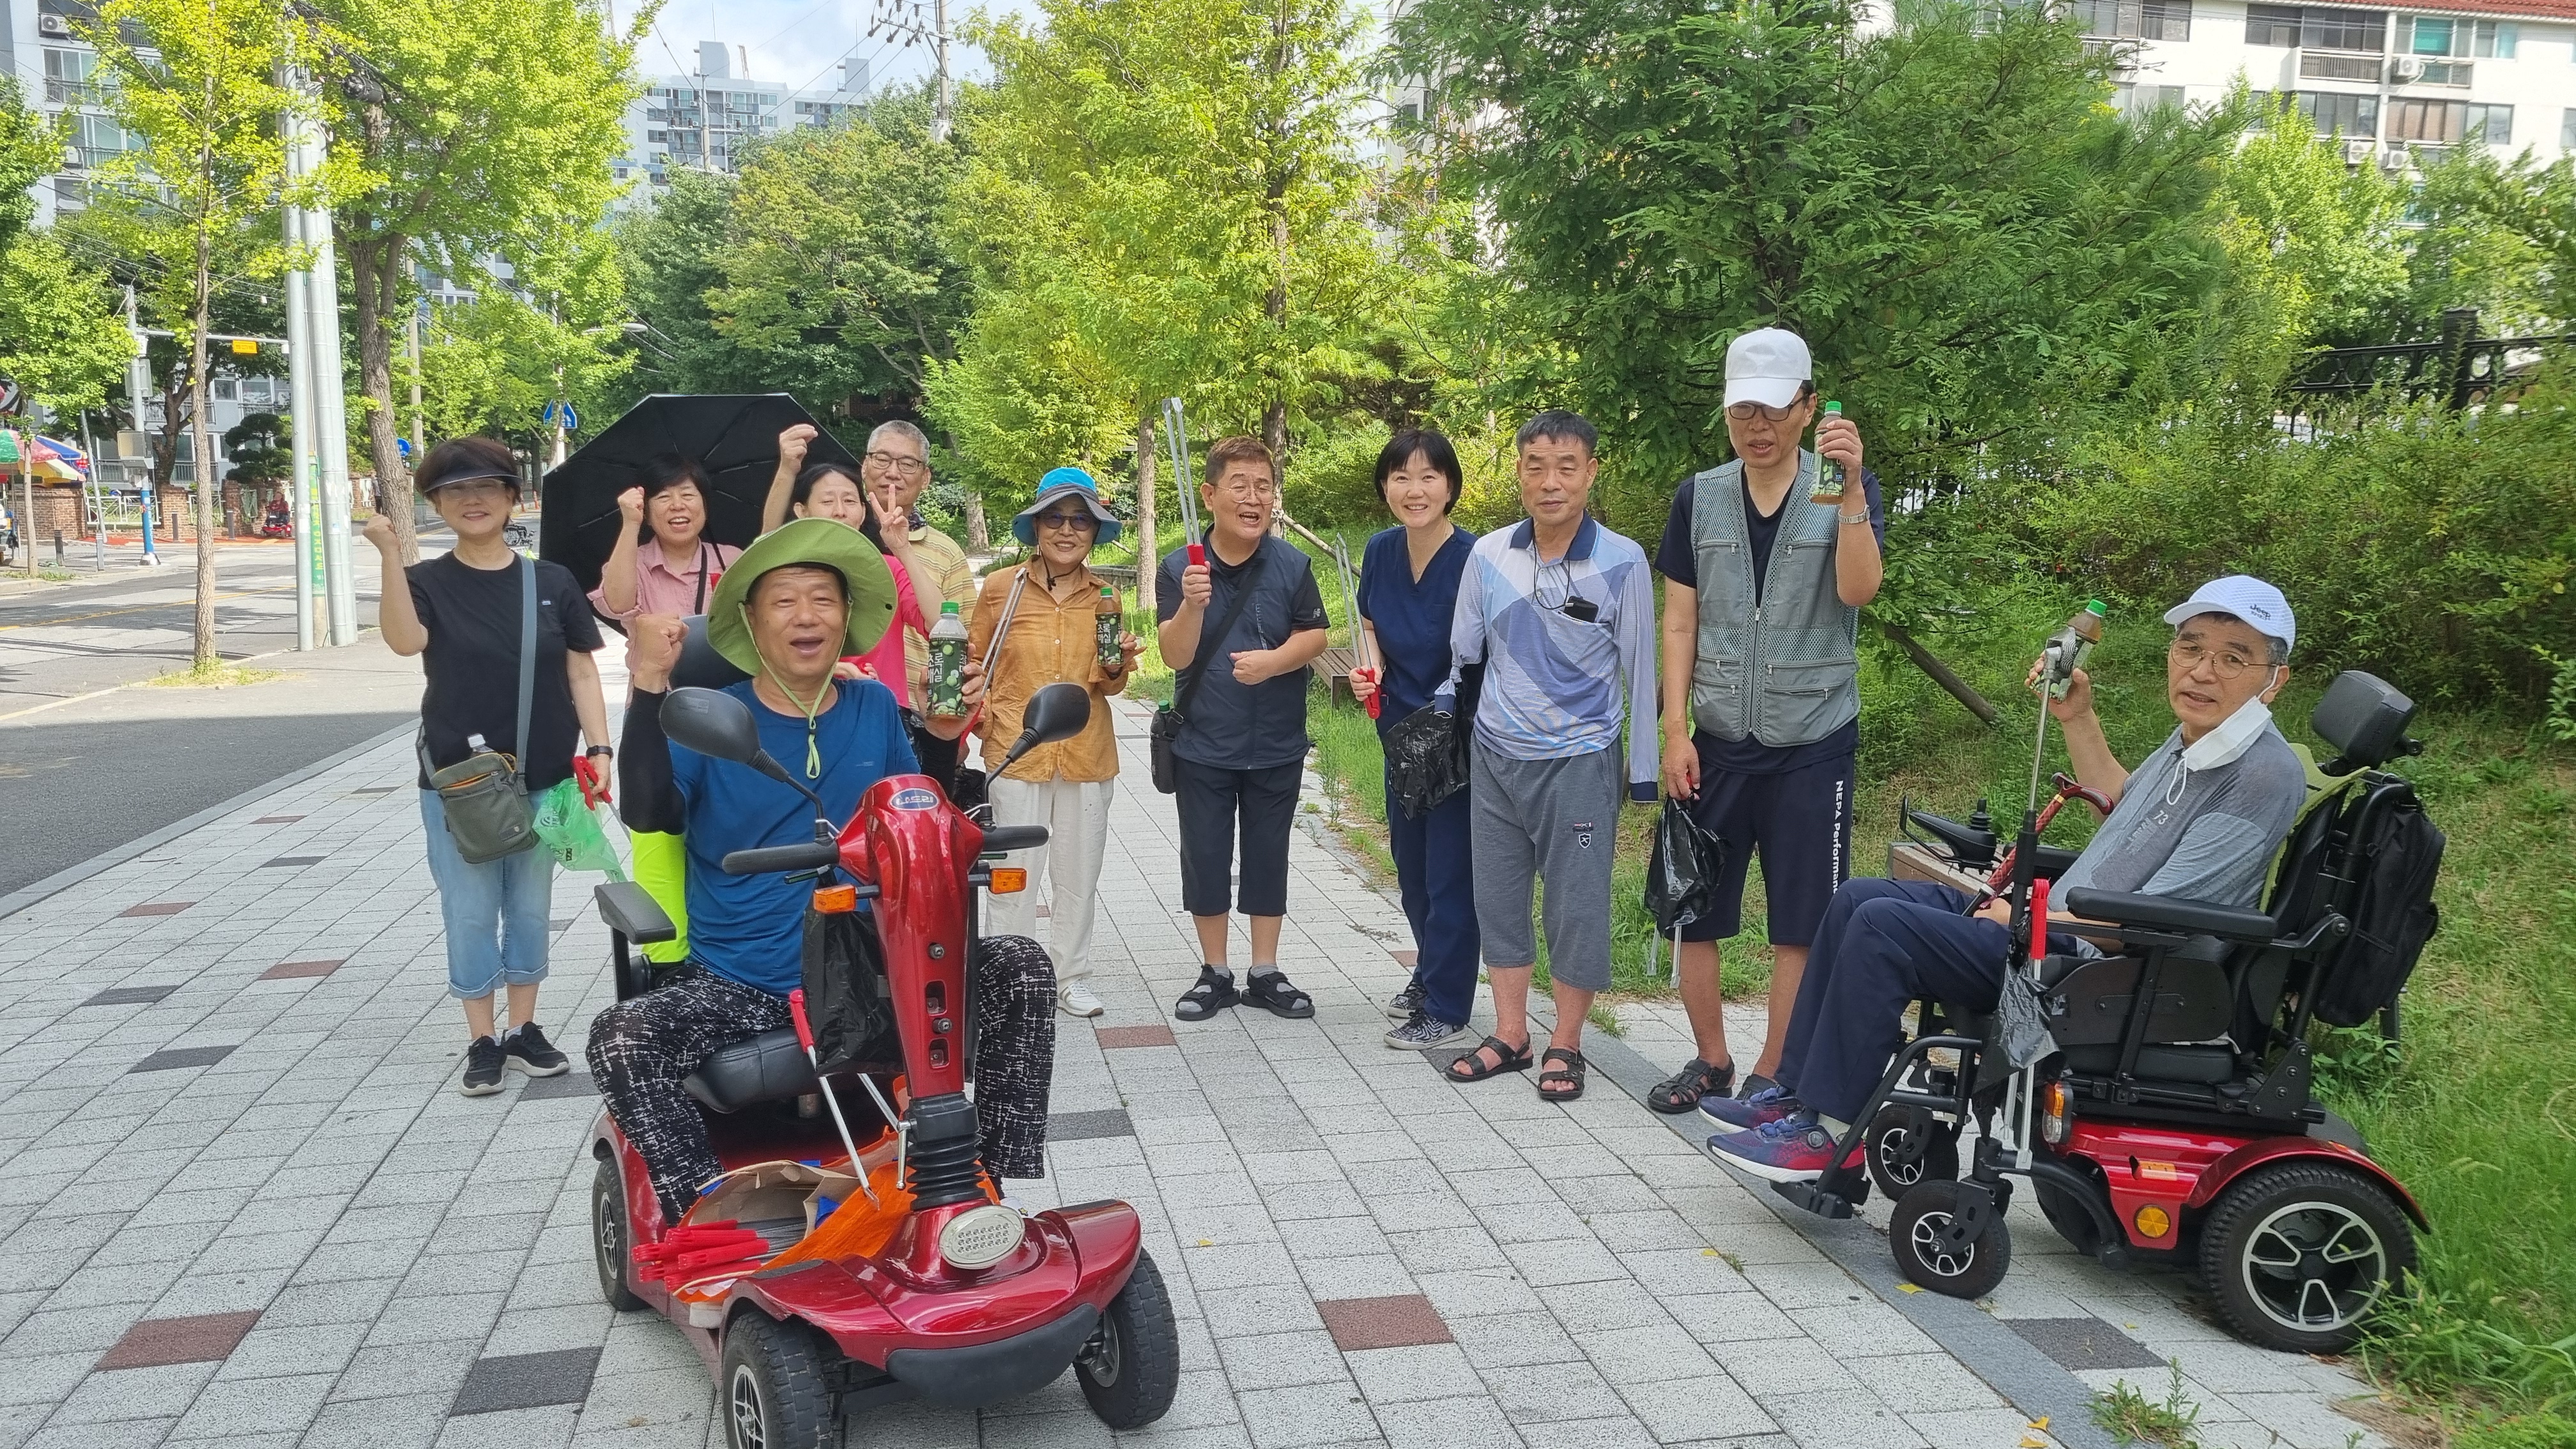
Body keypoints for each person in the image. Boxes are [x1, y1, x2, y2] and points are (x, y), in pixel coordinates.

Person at [1704, 578, 2310, 1180]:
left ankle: (1830, 1136)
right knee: (1858, 897)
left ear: (2274, 679)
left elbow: (2154, 922)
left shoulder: (2259, 774)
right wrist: (2078, 717)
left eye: (2233, 659)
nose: (2203, 671)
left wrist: (2027, 921)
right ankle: (1795, 1094)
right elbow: (2125, 807)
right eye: (2191, 647)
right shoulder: (2200, 741)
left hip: (2103, 967)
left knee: (1883, 928)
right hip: (2063, 930)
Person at [586, 519, 1042, 1222]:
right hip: (746, 982)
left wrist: (944, 739)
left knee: (1021, 967)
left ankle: (984, 1184)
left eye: (823, 599)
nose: (807, 616)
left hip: (875, 969)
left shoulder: (873, 705)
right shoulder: (710, 717)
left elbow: (916, 812)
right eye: (785, 601)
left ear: (846, 617)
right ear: (751, 621)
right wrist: (648, 685)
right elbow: (649, 814)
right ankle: (705, 1207)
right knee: (622, 1035)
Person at [1648, 327, 1887, 1117]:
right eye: (1743, 410)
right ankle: (1711, 1060)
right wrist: (1674, 728)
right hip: (1715, 738)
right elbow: (1679, 621)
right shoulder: (1700, 496)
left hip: (1813, 740)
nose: (1758, 426)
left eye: (1776, 410)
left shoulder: (1843, 487)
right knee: (1694, 904)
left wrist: (1852, 498)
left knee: (1801, 921)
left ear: (1809, 408)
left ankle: (1773, 1073)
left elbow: (1859, 592)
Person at [368, 436, 611, 1096]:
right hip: (462, 784)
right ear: (436, 504)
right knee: (471, 911)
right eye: (454, 490)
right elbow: (405, 642)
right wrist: (390, 556)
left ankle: (524, 1029)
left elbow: (582, 671)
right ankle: (481, 1039)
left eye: (486, 487)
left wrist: (600, 748)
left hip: (545, 778)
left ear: (512, 498)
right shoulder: (426, 582)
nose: (472, 500)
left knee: (530, 909)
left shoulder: (550, 582)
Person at [1438, 411, 1659, 1102]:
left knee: (1576, 906)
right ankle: (1511, 1034)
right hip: (1496, 755)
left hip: (1581, 759)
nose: (1550, 481)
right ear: (1519, 473)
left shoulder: (1622, 560)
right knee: (1498, 899)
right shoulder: (1487, 554)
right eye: (1535, 466)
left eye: (1567, 466)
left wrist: (1644, 775)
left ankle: (1566, 1041)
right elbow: (1463, 655)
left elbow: (1642, 670)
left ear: (1591, 473)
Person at [1156, 436, 1330, 1022]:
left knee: (1268, 853)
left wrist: (1274, 663)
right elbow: (1175, 655)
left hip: (1276, 740)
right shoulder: (1179, 567)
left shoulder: (1292, 564)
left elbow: (1315, 635)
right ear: (1210, 495)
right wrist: (1192, 605)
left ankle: (1264, 971)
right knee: (1205, 855)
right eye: (1240, 486)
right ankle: (1215, 971)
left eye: (1263, 486)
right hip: (1204, 741)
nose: (1253, 498)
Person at [968, 468, 1144, 1020]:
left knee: (1078, 875)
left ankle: (1070, 978)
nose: (1067, 531)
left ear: (1095, 532)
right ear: (1036, 526)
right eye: (1055, 518)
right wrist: (984, 719)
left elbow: (1110, 686)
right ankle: (1008, 981)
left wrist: (1119, 665)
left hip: (1087, 752)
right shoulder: (1001, 589)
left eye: (1080, 522)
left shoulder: (1106, 597)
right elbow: (973, 664)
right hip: (1016, 752)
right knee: (1013, 876)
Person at [1348, 429, 1482, 1052]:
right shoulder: (1380, 550)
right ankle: (1430, 970)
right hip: (1400, 734)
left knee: (1450, 873)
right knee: (1412, 869)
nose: (1415, 489)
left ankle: (1448, 1005)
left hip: (1460, 741)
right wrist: (1368, 666)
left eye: (1429, 476)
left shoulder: (1477, 559)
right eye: (1401, 476)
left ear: (1450, 486)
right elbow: (1369, 623)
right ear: (1385, 487)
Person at [758, 422, 935, 710]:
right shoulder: (788, 572)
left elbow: (940, 623)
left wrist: (902, 549)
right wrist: (787, 470)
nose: (840, 511)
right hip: (805, 709)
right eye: (827, 501)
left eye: (850, 501)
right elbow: (765, 545)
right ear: (802, 511)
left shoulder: (887, 568)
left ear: (863, 512)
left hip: (882, 713)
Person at [863, 420, 979, 788]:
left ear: (926, 477)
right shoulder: (836, 540)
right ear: (864, 466)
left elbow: (967, 646)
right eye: (882, 459)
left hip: (927, 720)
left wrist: (954, 735)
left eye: (907, 463)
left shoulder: (946, 552)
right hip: (848, 714)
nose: (892, 472)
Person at [588, 452, 742, 658]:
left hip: (723, 678)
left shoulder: (730, 559)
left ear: (705, 505)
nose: (677, 505)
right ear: (647, 513)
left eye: (687, 495)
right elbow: (618, 605)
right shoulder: (634, 563)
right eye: (663, 497)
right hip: (656, 678)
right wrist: (631, 523)